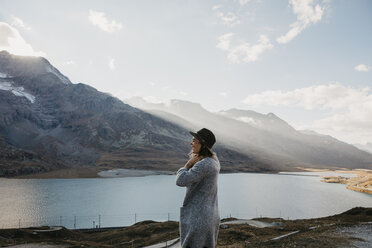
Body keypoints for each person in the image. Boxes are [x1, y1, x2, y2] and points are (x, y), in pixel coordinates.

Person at [176, 128, 220, 248]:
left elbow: (180, 181)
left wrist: (187, 165)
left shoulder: (205, 164)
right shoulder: (214, 161)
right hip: (208, 216)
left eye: (194, 140)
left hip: (198, 218)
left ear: (203, 144)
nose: (191, 143)